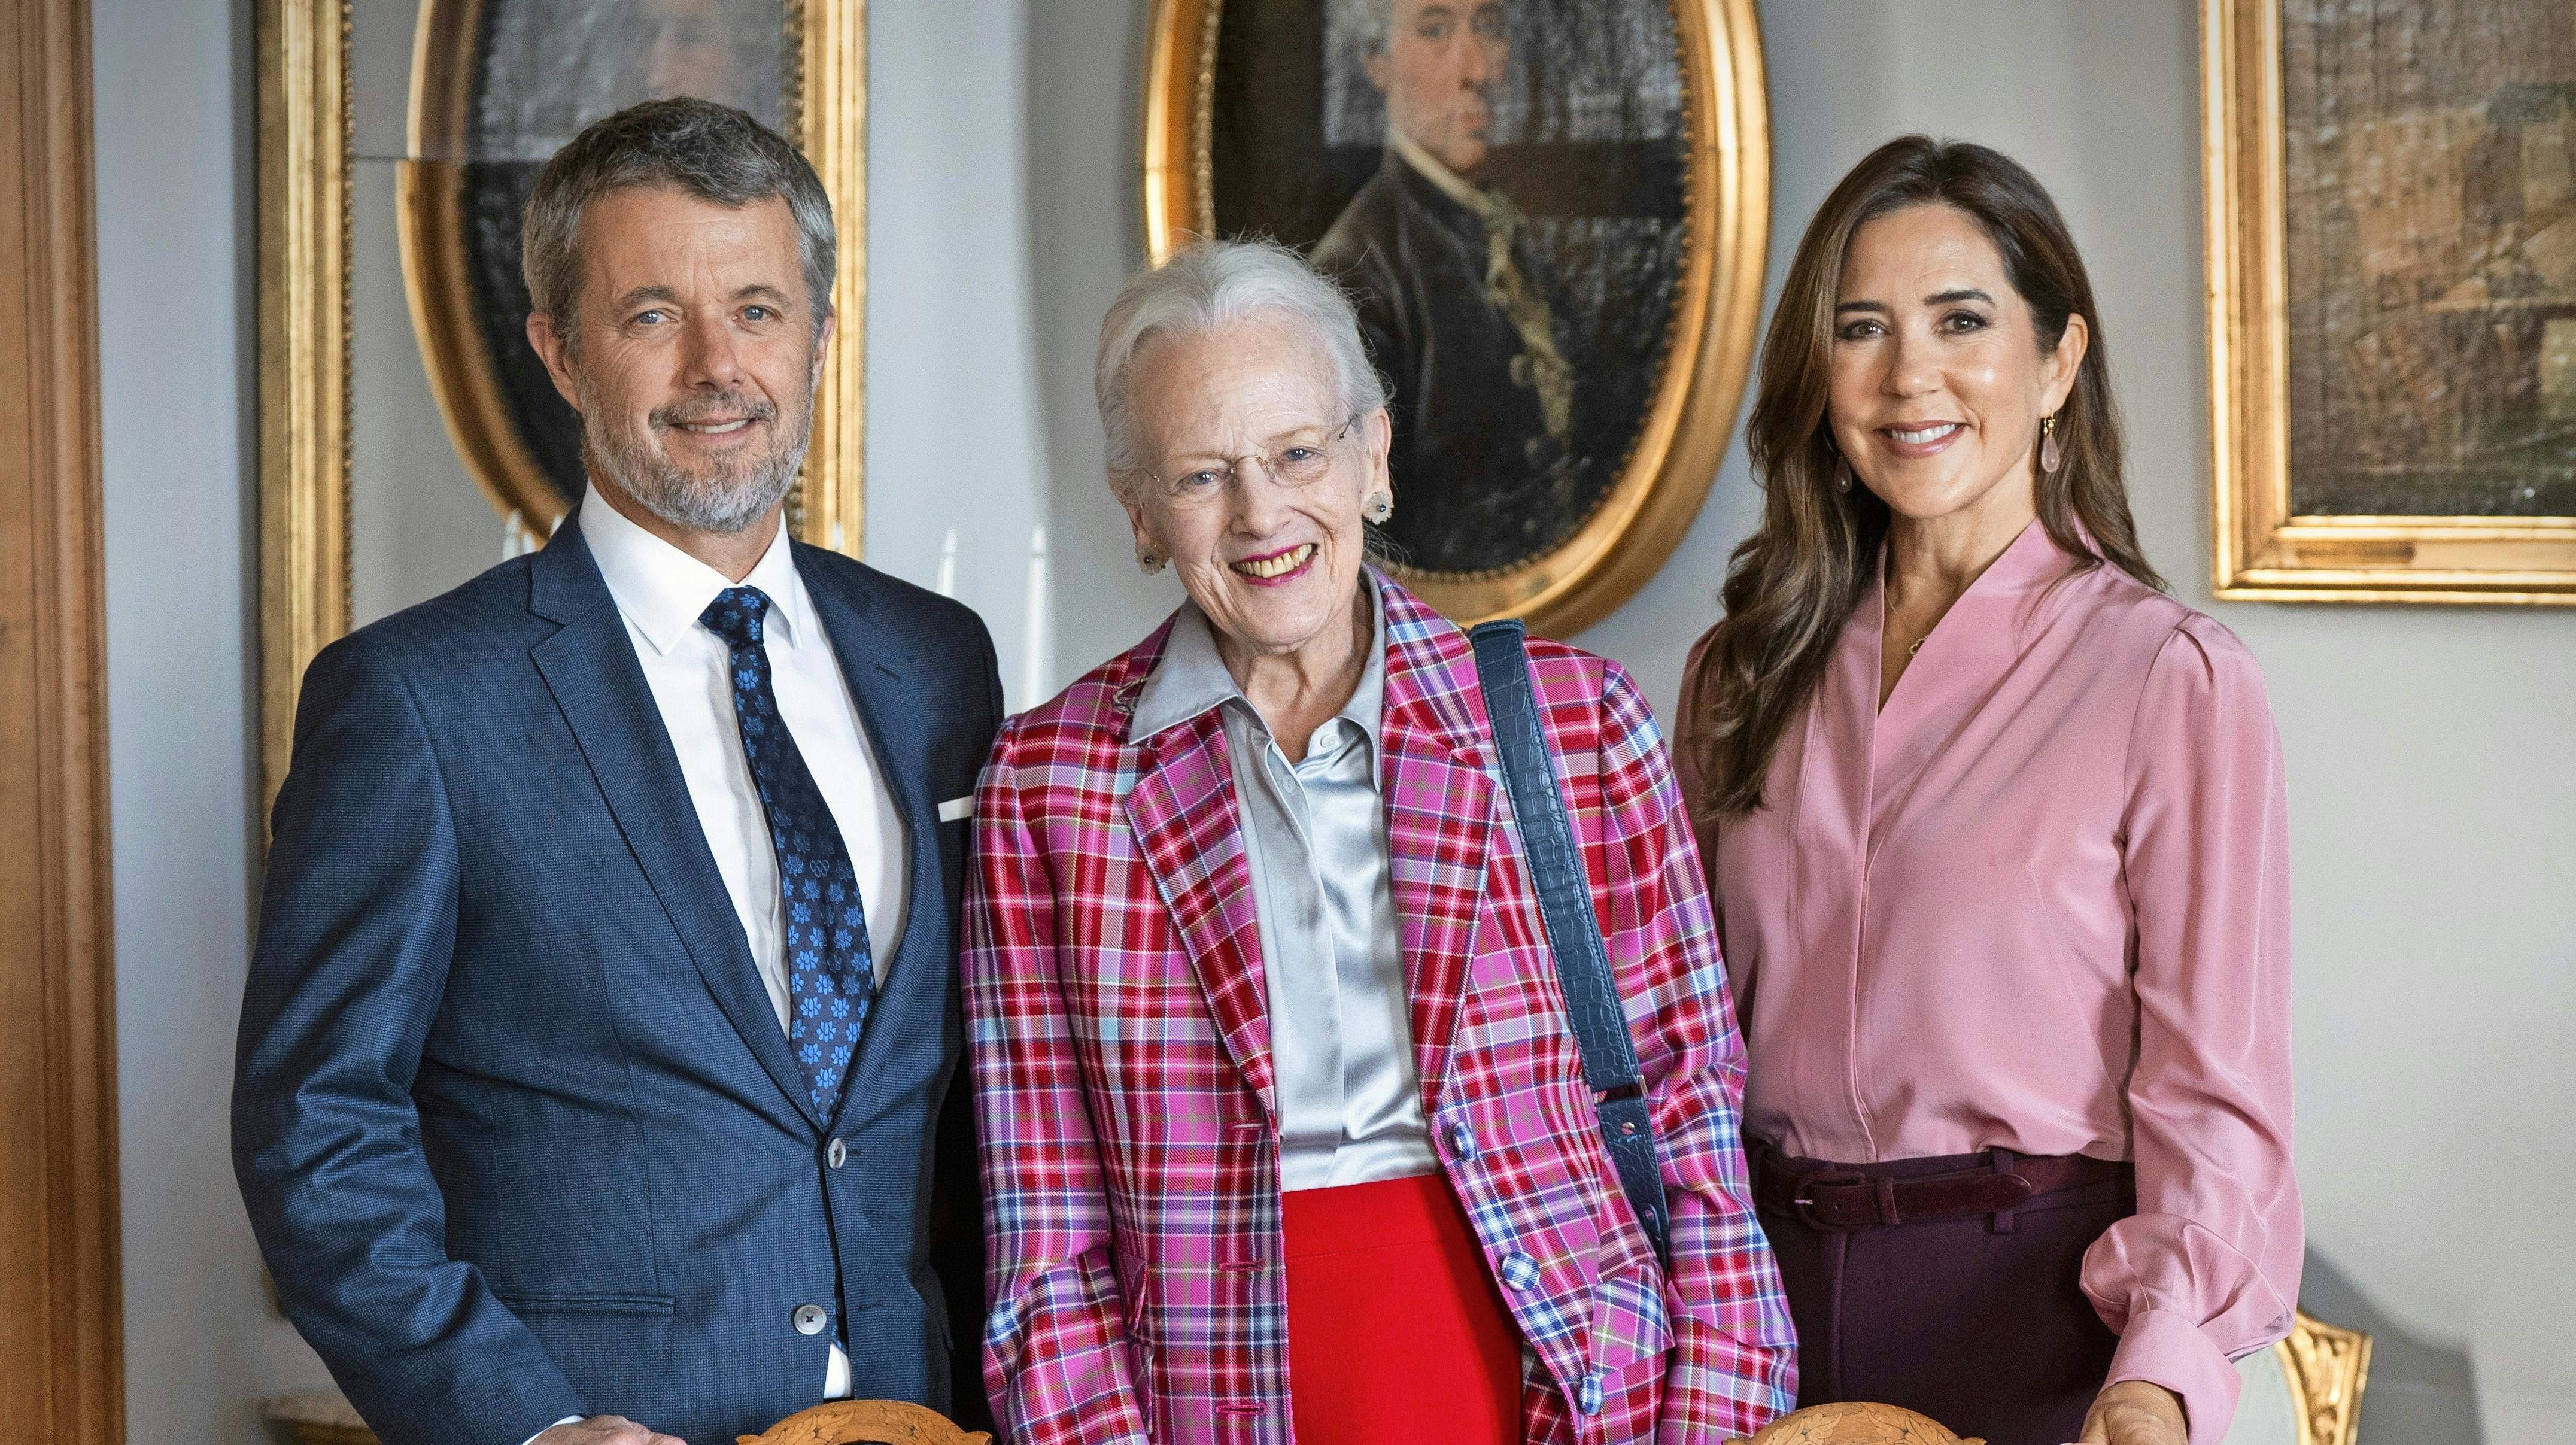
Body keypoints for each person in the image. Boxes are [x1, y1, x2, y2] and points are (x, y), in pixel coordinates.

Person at [233, 98, 999, 1445]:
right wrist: (519, 1424)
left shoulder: (936, 664)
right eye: (652, 315)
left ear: (819, 333)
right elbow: (316, 1126)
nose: (718, 366)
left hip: (921, 1416)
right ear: (561, 352)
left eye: (758, 309)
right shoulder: (416, 698)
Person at [964, 238, 1794, 1445]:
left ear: (1373, 455)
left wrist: (1712, 1426)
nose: (1262, 514)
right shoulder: (1052, 784)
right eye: (1202, 475)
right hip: (1218, 1399)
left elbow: (1690, 1112)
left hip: (1567, 1386)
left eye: (1298, 453)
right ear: (1139, 507)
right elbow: (1046, 1231)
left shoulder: (1576, 727)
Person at [1675, 136, 2299, 1445]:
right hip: (1751, 1325)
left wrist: (2158, 1376)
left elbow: (2213, 1096)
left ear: (2057, 361)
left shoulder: (2166, 678)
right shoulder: (1741, 672)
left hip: (2043, 1333)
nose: (1911, 377)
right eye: (1862, 329)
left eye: (1962, 321)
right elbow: (1669, 1047)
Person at [1313, 0, 1592, 574]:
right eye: (1437, 30)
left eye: (1488, 27)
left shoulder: (1511, 238)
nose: (1479, 72)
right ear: (1377, 61)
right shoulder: (1357, 272)